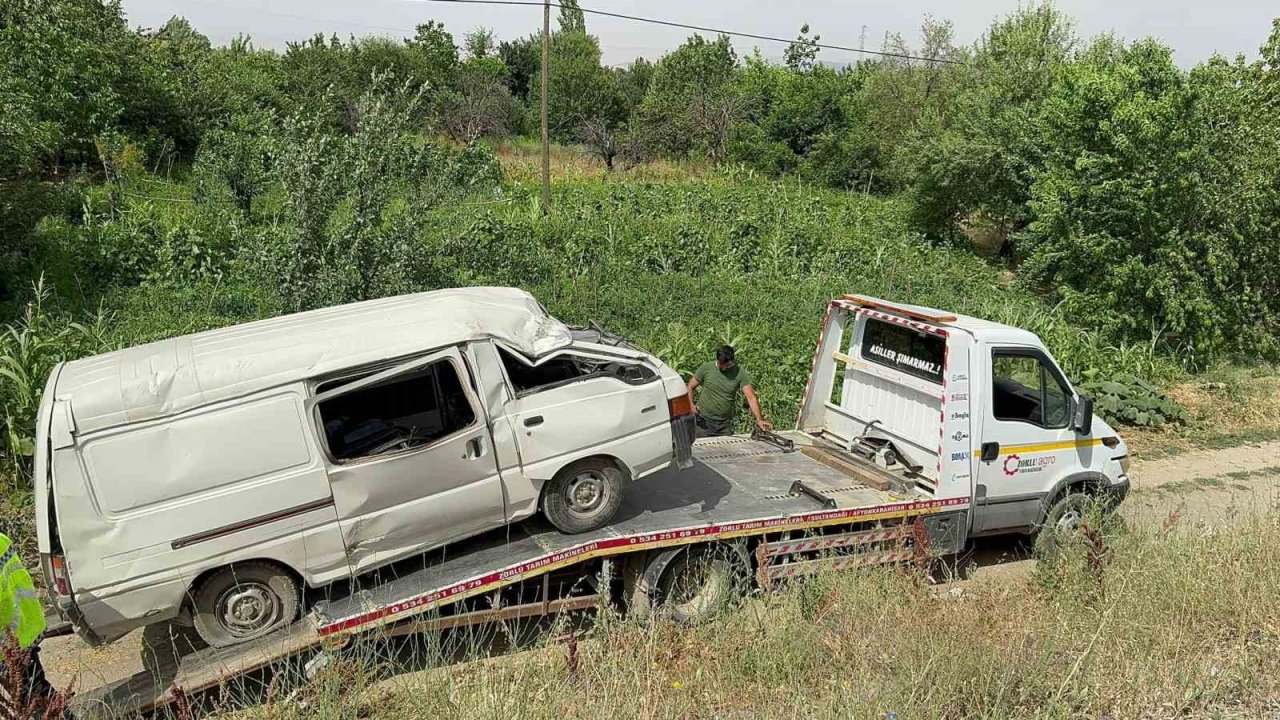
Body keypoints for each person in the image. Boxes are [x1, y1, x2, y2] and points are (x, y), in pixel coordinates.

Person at [1, 531, 53, 707]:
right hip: (25, 626)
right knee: (35, 694)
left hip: (10, 639)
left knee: (33, 698)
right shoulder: (1, 539)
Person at [686, 345, 772, 438]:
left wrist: (759, 419)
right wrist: (690, 404)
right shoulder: (706, 368)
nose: (726, 368)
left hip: (724, 425)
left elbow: (751, 397)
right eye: (723, 365)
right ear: (718, 361)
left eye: (729, 365)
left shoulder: (739, 372)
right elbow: (690, 387)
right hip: (704, 423)